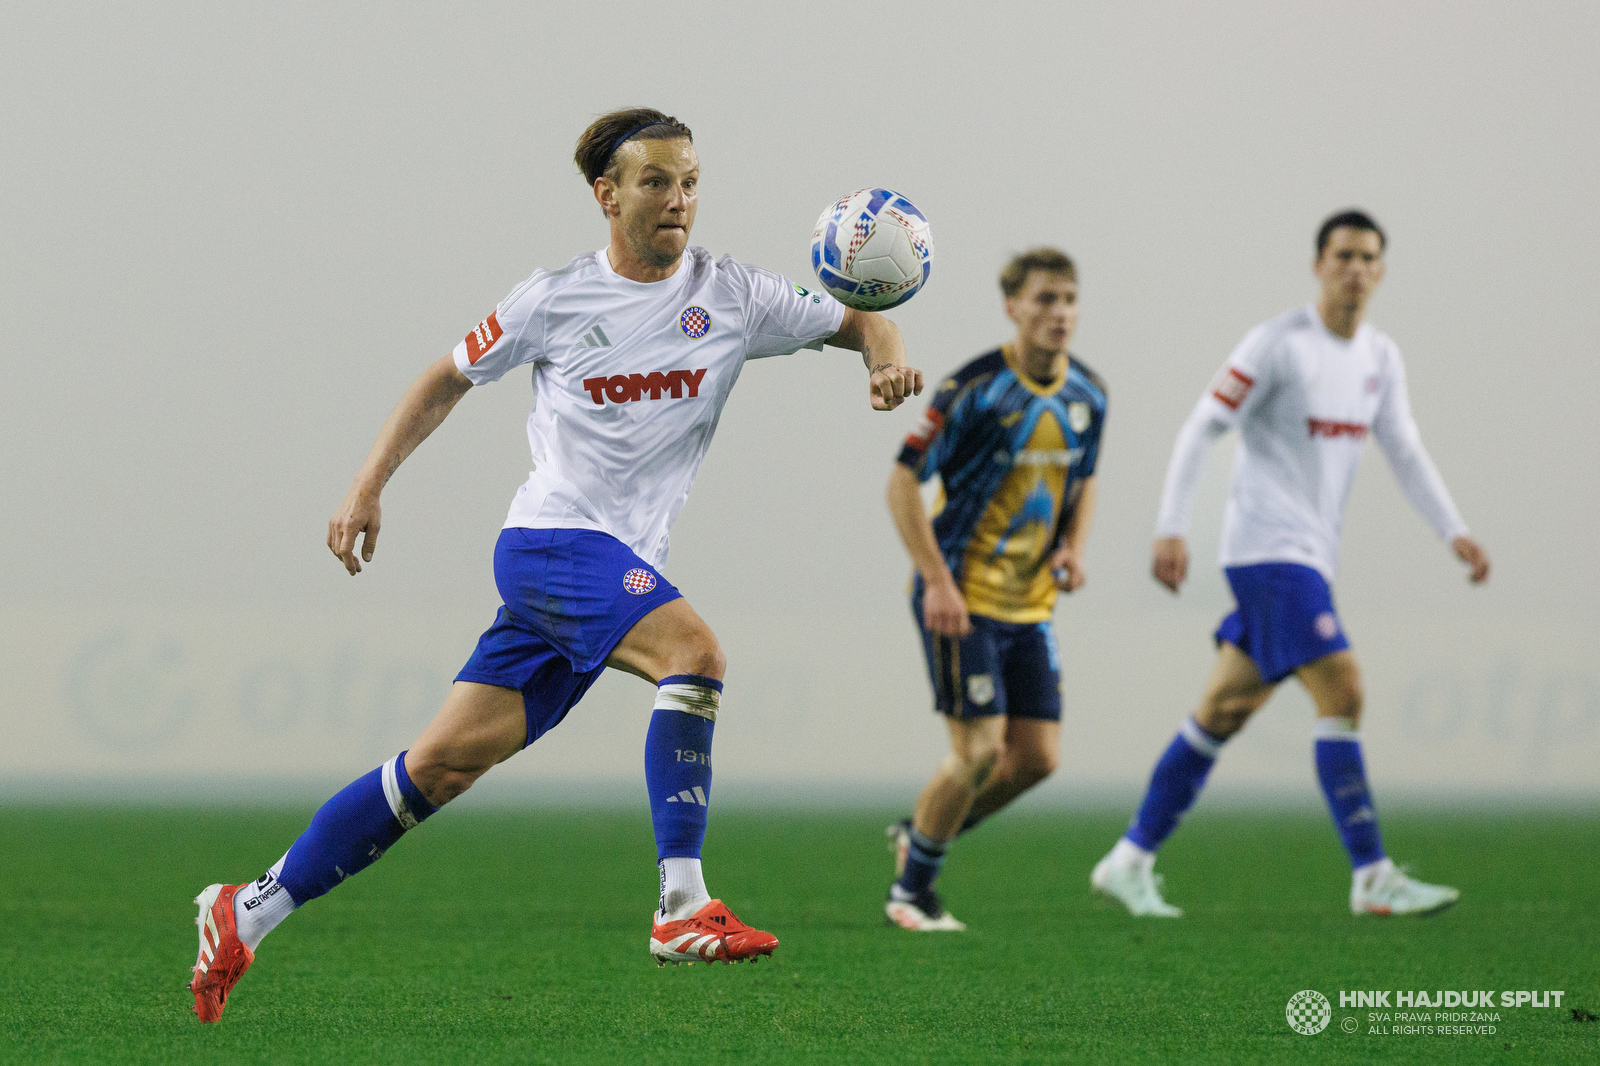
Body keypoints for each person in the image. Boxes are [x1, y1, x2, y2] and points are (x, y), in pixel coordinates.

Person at [186, 107, 925, 1021]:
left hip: (602, 571)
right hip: (550, 544)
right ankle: (682, 906)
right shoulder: (555, 298)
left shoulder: (734, 295)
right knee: (694, 654)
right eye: (656, 182)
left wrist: (883, 362)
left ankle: (247, 908)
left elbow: (862, 321)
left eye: (690, 181)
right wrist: (366, 485)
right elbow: (445, 377)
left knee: (438, 769)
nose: (678, 201)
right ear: (607, 195)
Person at [1091, 210, 1490, 918]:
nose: (1356, 268)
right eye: (1343, 255)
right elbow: (1201, 426)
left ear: (1382, 270)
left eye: (1369, 257)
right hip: (1267, 551)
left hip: (1308, 556)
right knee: (1344, 690)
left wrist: (1452, 529)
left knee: (1222, 709)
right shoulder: (1278, 345)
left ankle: (1128, 859)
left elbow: (1404, 449)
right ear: (1318, 264)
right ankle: (1372, 875)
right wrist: (1171, 527)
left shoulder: (1379, 358)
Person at [883, 248, 1107, 931]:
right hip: (963, 601)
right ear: (1013, 306)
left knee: (1036, 760)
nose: (1059, 313)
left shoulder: (1088, 395)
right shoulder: (975, 389)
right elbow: (901, 483)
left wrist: (1073, 545)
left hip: (1030, 606)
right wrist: (936, 582)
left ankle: (919, 833)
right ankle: (911, 893)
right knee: (978, 751)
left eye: (1068, 299)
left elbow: (1085, 477)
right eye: (1044, 299)